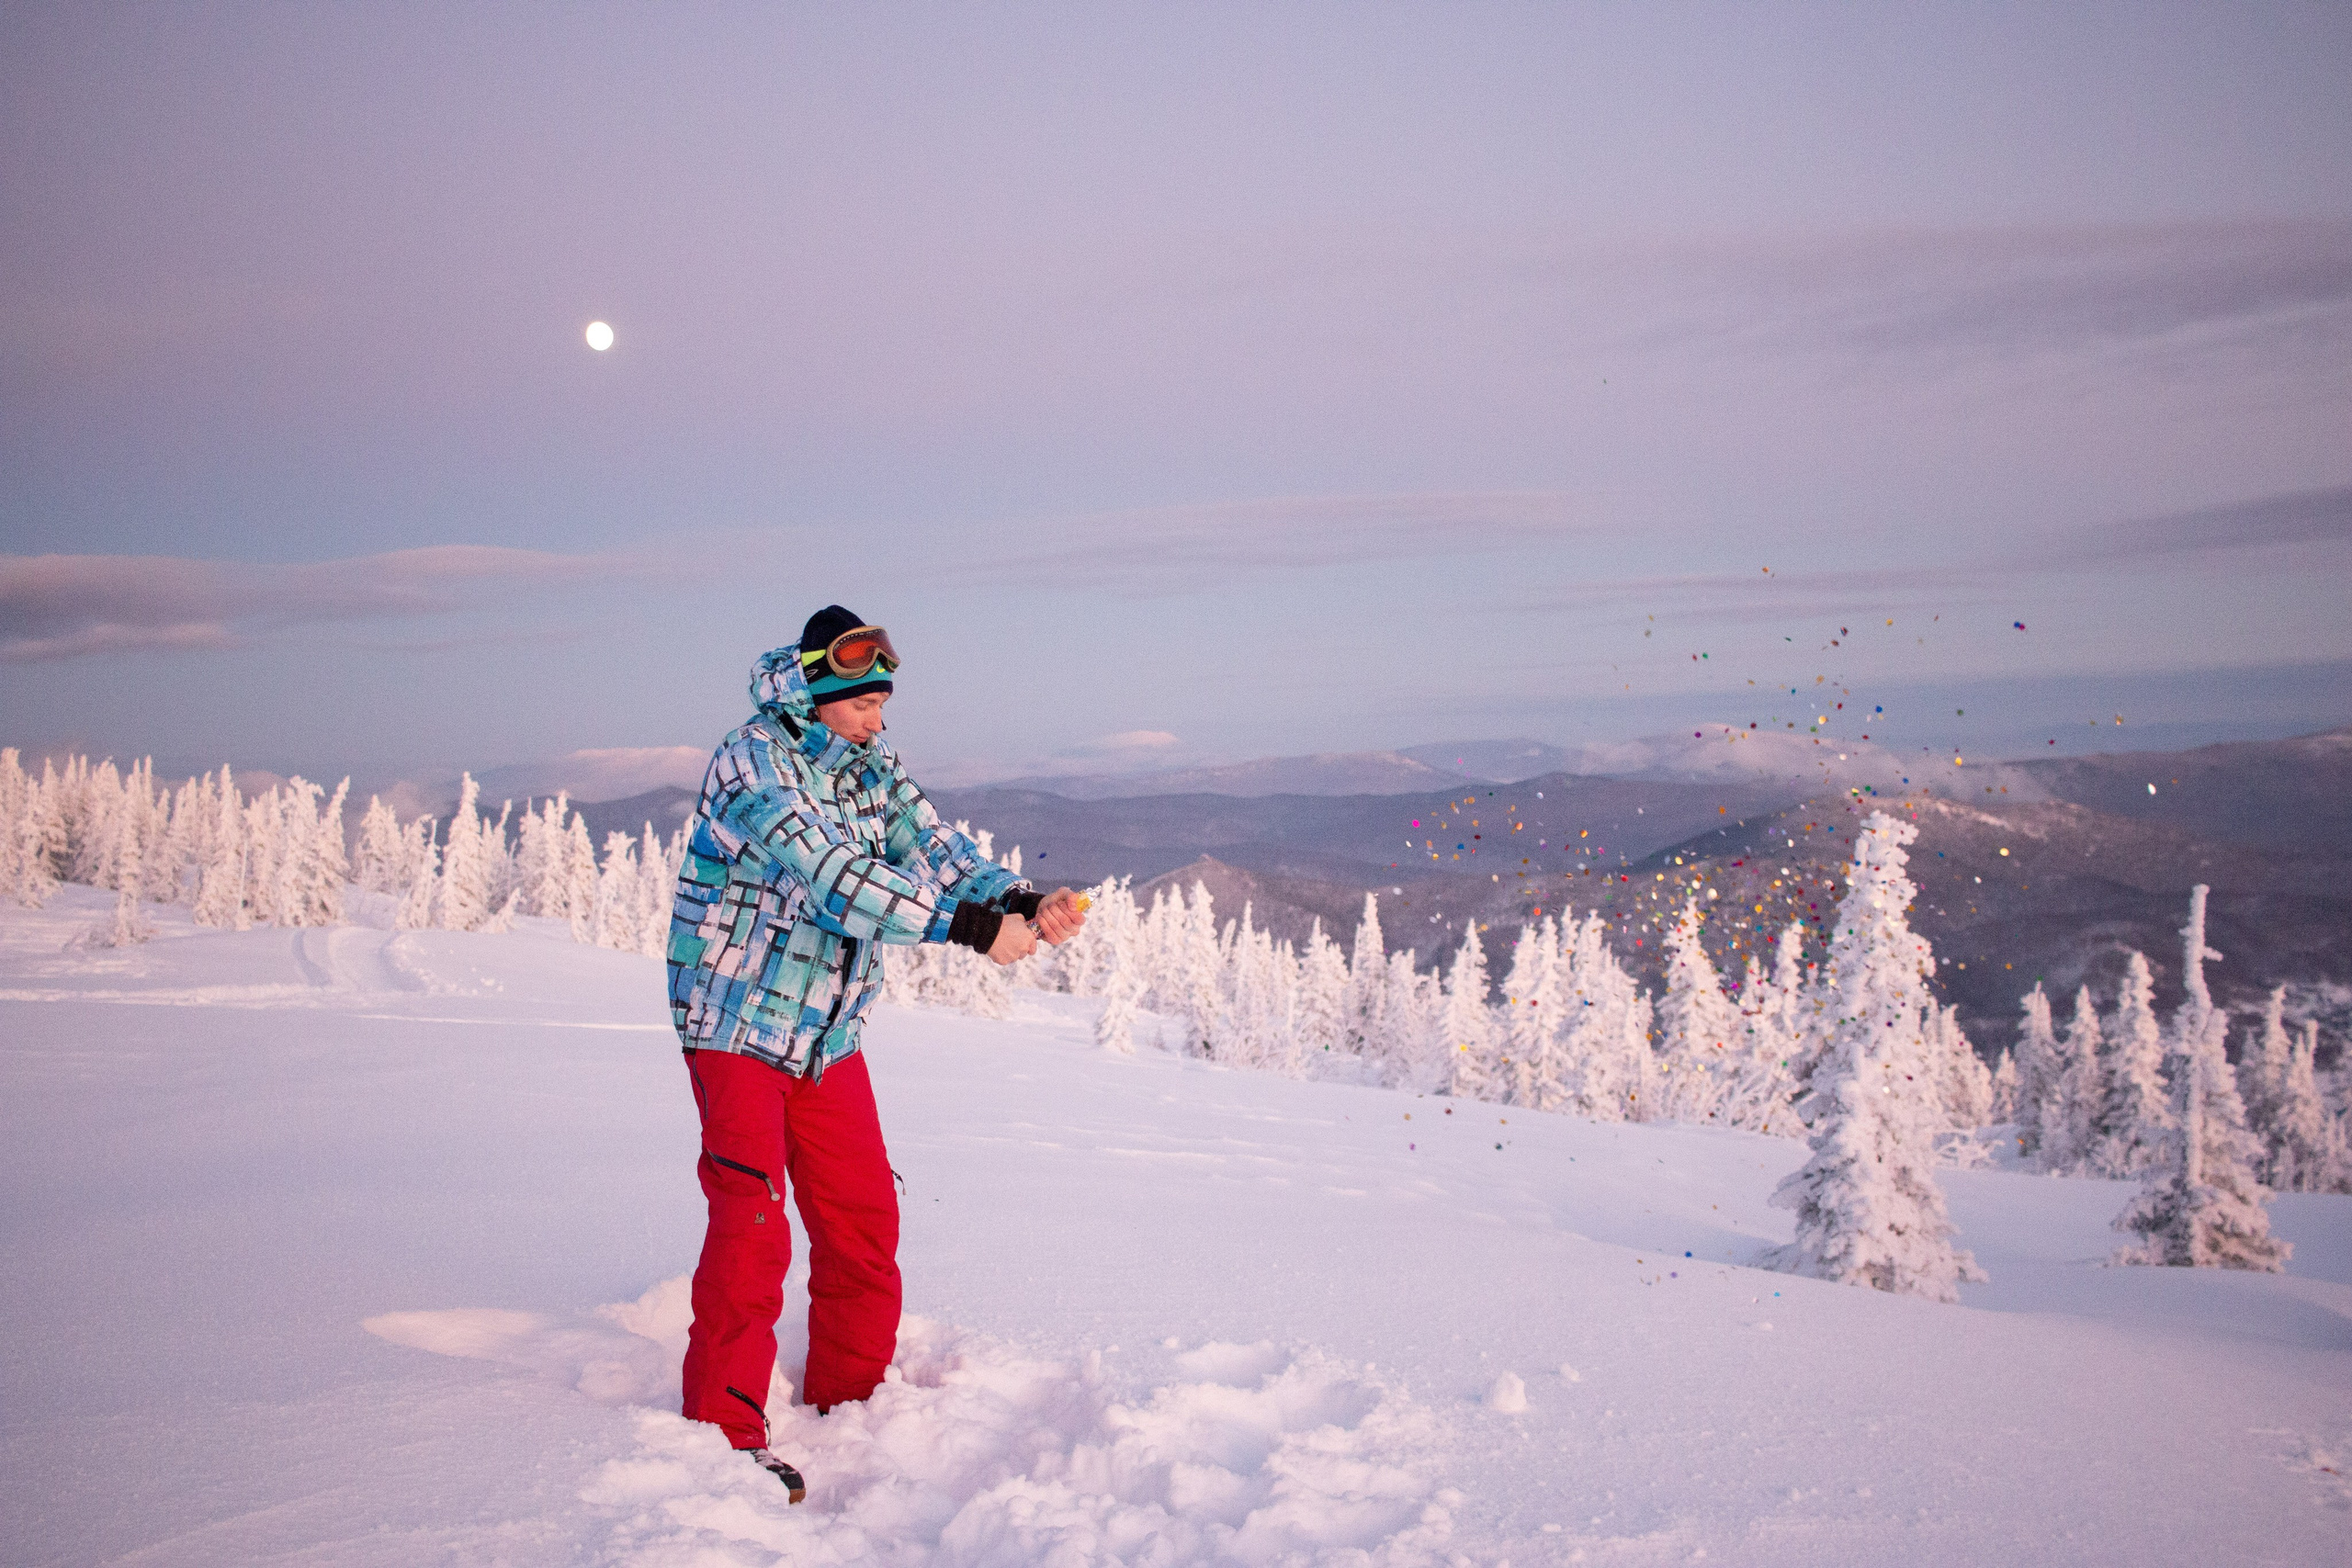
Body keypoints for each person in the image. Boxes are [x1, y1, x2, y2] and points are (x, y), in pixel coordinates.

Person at [664, 605, 1086, 1497]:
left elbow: (933, 848)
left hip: (825, 1033)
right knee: (751, 1223)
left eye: (883, 702)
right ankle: (724, 1434)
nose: (879, 719)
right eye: (864, 702)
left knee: (861, 1219)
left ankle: (849, 1405)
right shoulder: (752, 763)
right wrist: (970, 929)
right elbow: (831, 879)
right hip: (735, 1021)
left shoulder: (866, 767)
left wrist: (1017, 900)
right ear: (820, 689)